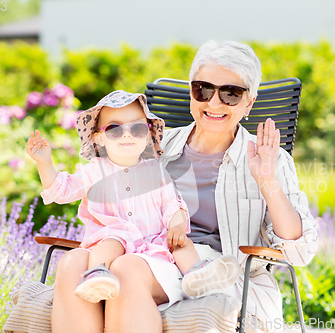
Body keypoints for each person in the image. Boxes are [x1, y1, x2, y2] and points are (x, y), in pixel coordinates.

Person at [26, 91, 239, 332]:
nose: (127, 135)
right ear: (99, 139)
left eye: (137, 129)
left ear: (147, 135)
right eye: (115, 130)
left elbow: (173, 205)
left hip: (153, 253)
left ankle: (197, 275)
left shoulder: (156, 173)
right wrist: (44, 163)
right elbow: (61, 190)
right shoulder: (94, 172)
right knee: (110, 239)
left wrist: (177, 226)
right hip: (112, 245)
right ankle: (98, 275)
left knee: (180, 241)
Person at [158, 40, 319, 332]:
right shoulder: (157, 149)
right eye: (203, 89)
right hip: (156, 264)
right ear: (191, 93)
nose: (214, 103)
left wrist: (267, 181)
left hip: (231, 281)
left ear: (249, 103)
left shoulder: (270, 158)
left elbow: (299, 252)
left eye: (231, 93)